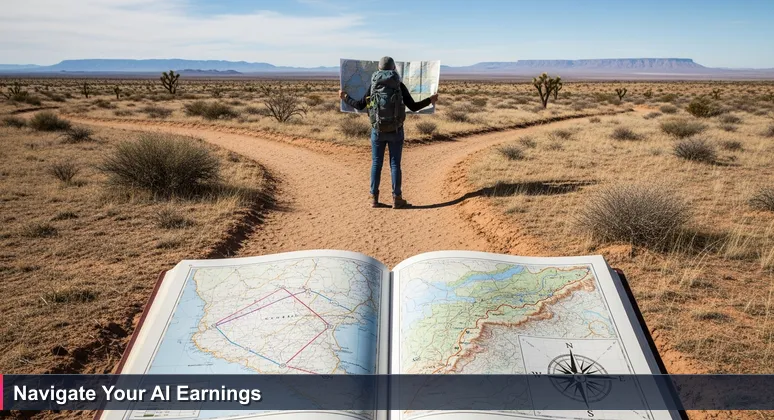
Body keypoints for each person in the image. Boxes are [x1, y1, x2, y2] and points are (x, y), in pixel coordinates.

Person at [339, 56, 438, 209]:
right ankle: (397, 198)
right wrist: (430, 100)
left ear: (378, 69)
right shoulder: (398, 85)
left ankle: (374, 198)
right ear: (393, 68)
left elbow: (359, 106)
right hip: (396, 131)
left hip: (377, 130)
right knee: (395, 164)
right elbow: (412, 106)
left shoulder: (373, 86)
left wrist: (345, 97)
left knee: (376, 163)